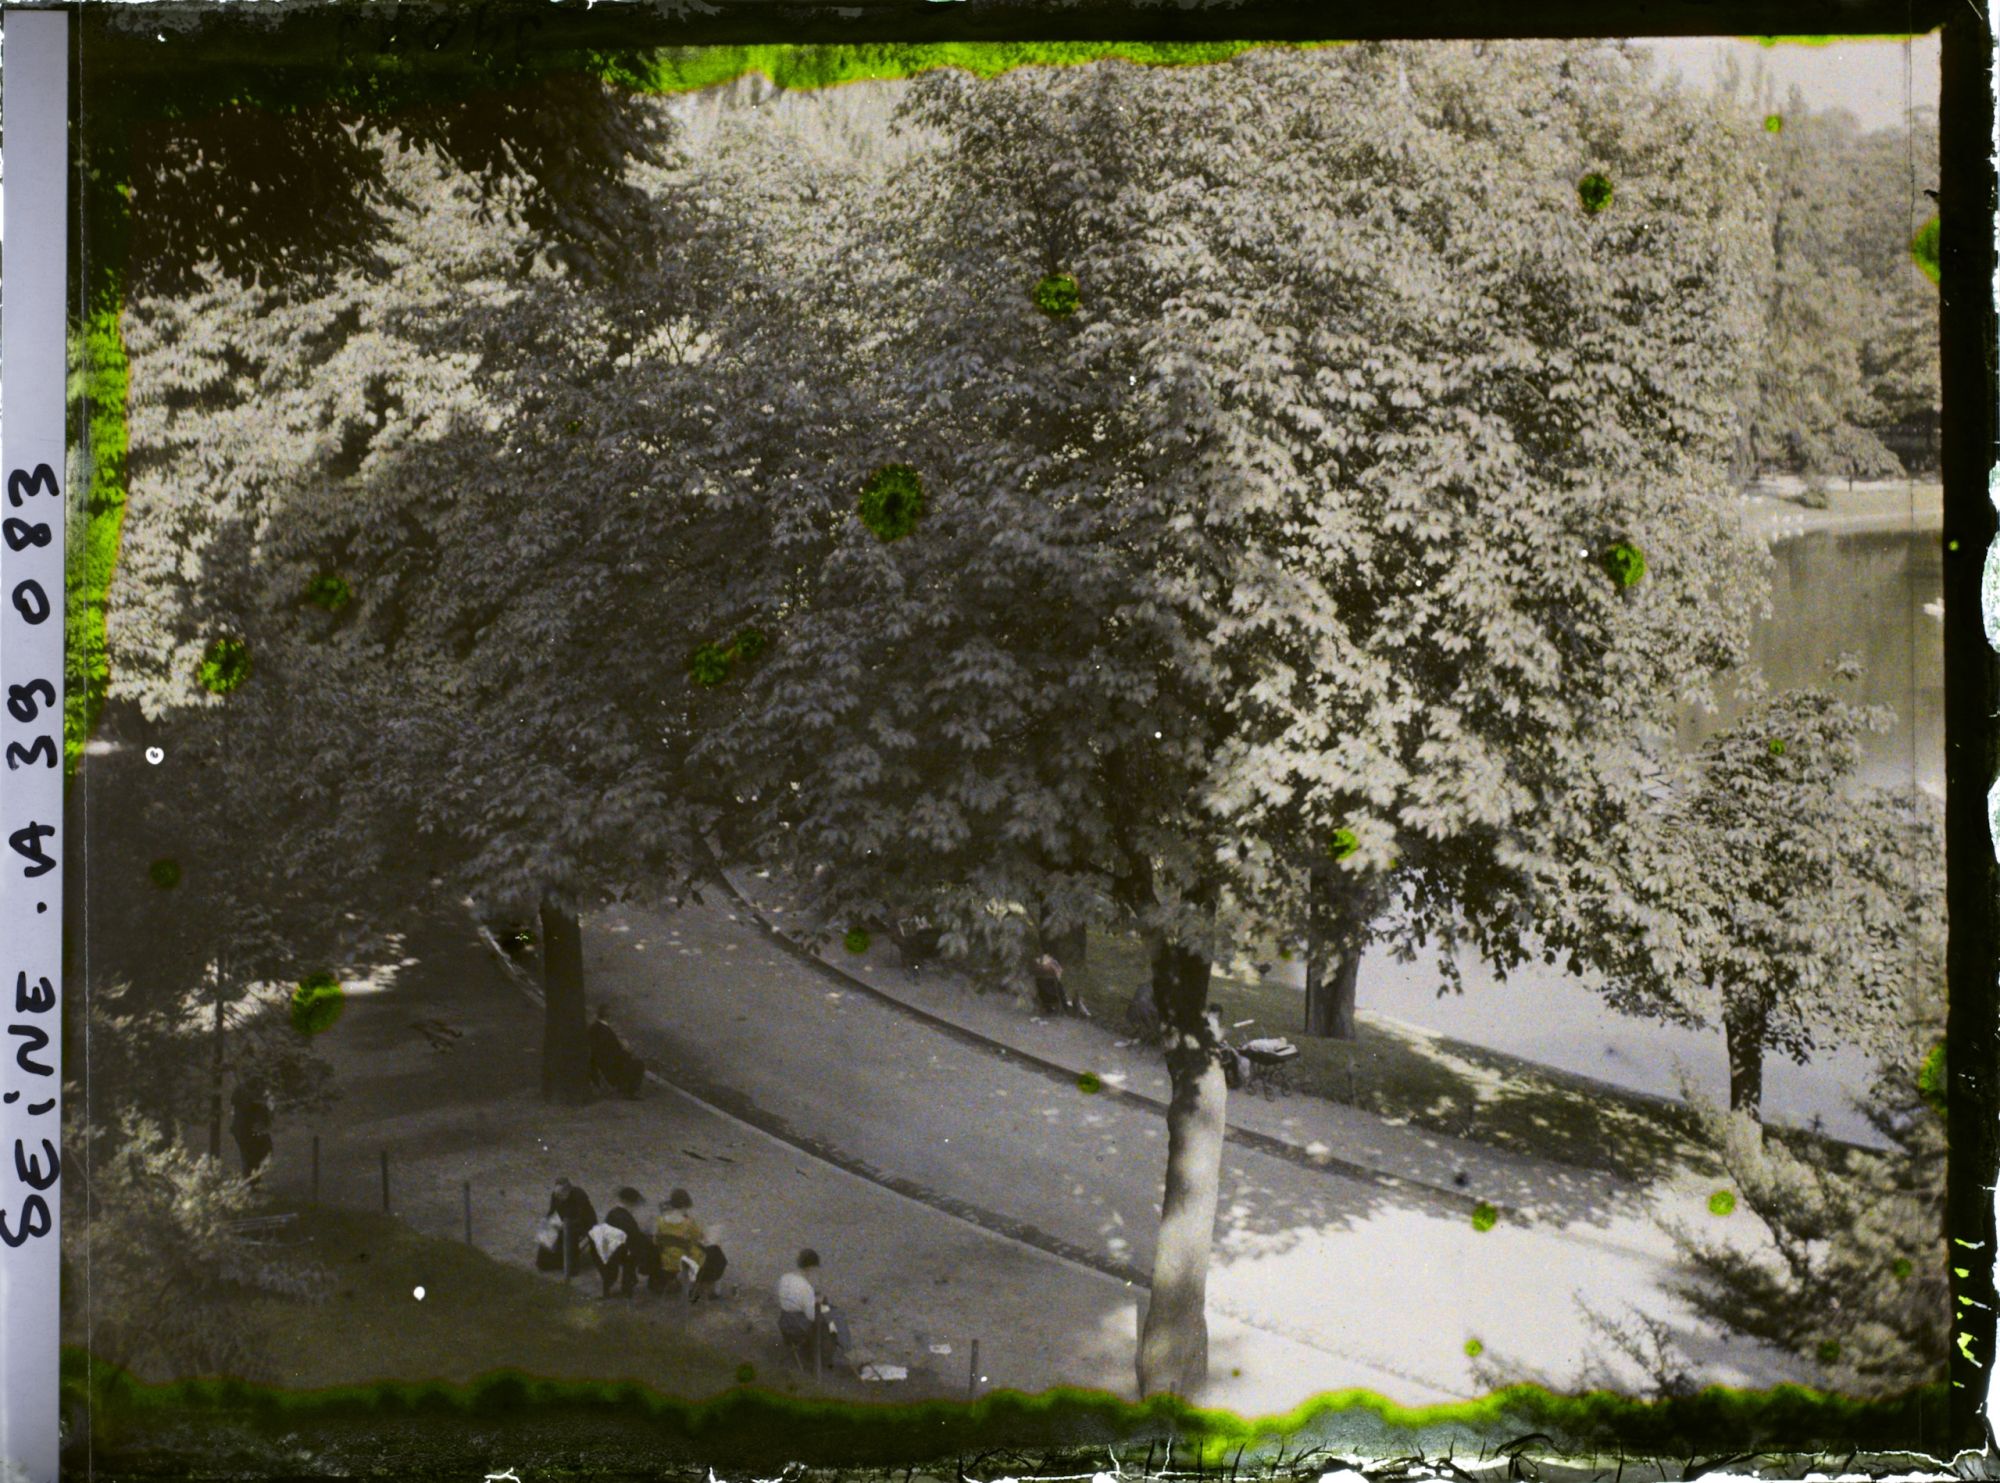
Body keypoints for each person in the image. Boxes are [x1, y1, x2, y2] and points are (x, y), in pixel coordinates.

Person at [777, 1249, 848, 1369]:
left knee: (829, 1313)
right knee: (832, 1318)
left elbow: (790, 1299)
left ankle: (841, 1343)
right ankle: (839, 1349)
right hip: (799, 1328)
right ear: (811, 1268)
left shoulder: (784, 1278)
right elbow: (811, 1316)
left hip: (784, 1321)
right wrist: (818, 1302)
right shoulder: (806, 1287)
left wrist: (811, 1301)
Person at [656, 1188, 729, 1302]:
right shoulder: (688, 1223)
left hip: (668, 1260)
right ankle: (708, 1287)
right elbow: (701, 1238)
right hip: (688, 1260)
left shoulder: (661, 1221)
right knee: (717, 1255)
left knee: (712, 1253)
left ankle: (699, 1285)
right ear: (686, 1205)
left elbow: (657, 1240)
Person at [599, 1186, 664, 1298]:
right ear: (629, 1203)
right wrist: (650, 1238)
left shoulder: (613, 1213)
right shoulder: (625, 1217)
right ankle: (654, 1284)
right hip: (622, 1251)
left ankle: (628, 1285)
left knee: (641, 1250)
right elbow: (635, 1237)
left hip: (610, 1247)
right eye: (635, 1205)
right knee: (655, 1251)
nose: (635, 1208)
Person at [543, 1178, 599, 1274]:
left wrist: (566, 1225)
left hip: (583, 1223)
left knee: (569, 1234)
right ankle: (550, 1262)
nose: (558, 1197)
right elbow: (552, 1210)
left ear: (567, 1191)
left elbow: (583, 1216)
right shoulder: (555, 1195)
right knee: (548, 1230)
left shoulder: (579, 1195)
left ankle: (571, 1267)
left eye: (561, 1195)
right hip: (564, 1222)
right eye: (557, 1194)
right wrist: (548, 1220)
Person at [588, 1007, 645, 1099]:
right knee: (639, 1064)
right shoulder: (607, 1032)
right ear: (609, 1017)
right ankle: (629, 1093)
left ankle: (623, 1086)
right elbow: (615, 1054)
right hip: (610, 1069)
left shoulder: (593, 1028)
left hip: (599, 1064)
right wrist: (627, 1050)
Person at [228, 1080, 273, 1180]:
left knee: (256, 1155)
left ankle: (253, 1181)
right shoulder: (243, 1091)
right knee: (250, 1156)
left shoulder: (244, 1089)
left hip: (250, 1128)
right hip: (246, 1129)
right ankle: (251, 1183)